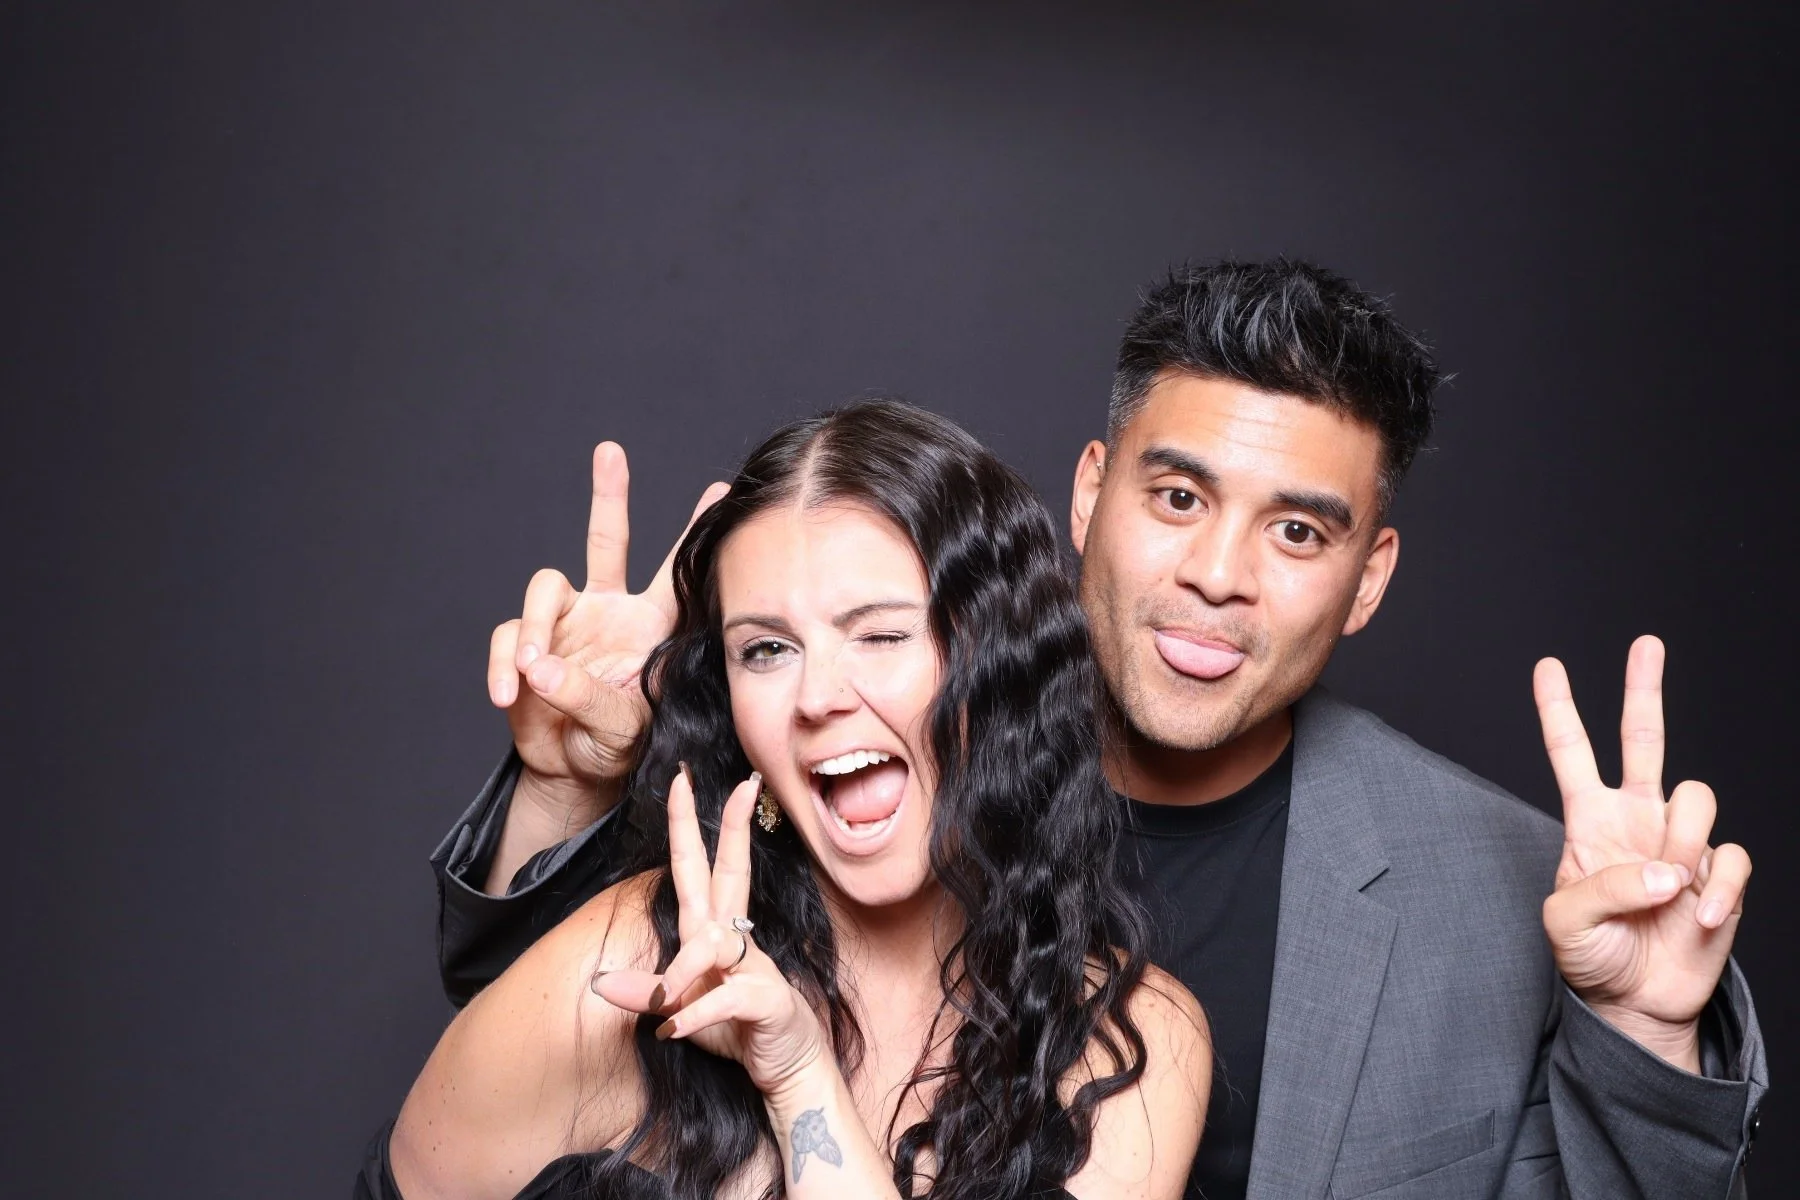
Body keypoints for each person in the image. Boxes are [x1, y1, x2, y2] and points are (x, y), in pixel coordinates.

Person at [419, 260, 1766, 1199]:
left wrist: (1645, 1039)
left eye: (1299, 531)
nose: (1220, 573)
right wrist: (568, 785)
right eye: (1178, 497)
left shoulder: (1504, 897)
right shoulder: (877, 724)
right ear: (1090, 490)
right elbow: (559, 1068)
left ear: (1370, 579)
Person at [364, 402, 1211, 1200]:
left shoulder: (1134, 1044)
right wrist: (563, 787)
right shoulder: (622, 968)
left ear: (999, 663)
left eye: (880, 635)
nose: (818, 697)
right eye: (765, 649)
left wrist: (799, 1076)